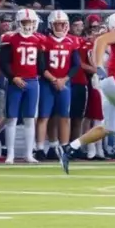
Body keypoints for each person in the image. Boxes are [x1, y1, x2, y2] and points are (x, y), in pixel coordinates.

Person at [0, 9, 45, 164]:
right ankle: (10, 154)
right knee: (11, 118)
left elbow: (41, 63)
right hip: (15, 81)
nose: (28, 25)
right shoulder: (10, 38)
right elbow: (4, 62)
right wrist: (13, 77)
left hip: (32, 81)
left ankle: (28, 153)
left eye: (31, 21)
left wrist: (39, 74)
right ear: (18, 22)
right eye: (25, 21)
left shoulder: (38, 39)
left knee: (30, 118)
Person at [36, 10, 80, 161]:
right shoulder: (44, 41)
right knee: (44, 116)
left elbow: (76, 65)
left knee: (64, 117)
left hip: (64, 82)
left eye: (63, 24)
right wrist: (55, 80)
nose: (60, 27)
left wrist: (64, 79)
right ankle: (40, 148)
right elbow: (41, 66)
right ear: (51, 25)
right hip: (47, 82)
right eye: (57, 24)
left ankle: (64, 147)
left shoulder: (72, 41)